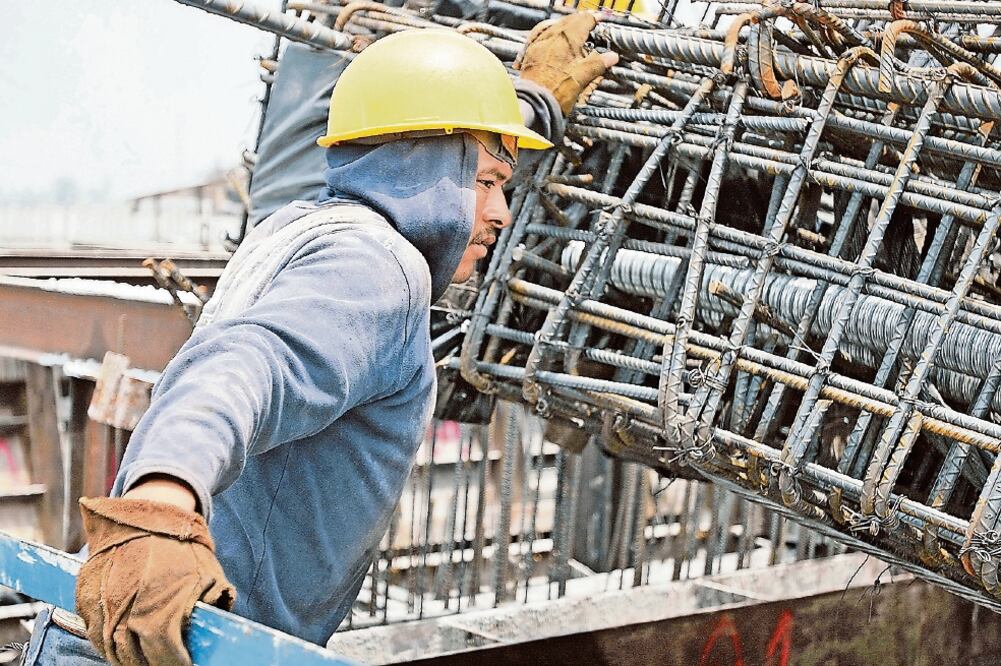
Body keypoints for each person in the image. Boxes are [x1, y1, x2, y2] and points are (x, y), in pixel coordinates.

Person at [19, 12, 617, 666]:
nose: (502, 213)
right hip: (164, 645)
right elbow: (244, 367)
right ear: (424, 172)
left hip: (121, 635)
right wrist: (159, 506)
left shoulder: (305, 223)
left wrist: (527, 102)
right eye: (485, 184)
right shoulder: (377, 270)